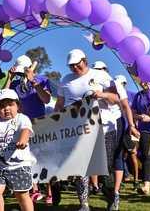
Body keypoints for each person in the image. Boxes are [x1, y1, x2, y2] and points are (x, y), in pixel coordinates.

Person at [55, 50, 138, 211]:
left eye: (77, 64)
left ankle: (112, 196)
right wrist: (58, 119)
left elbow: (116, 99)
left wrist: (101, 94)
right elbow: (59, 104)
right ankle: (84, 204)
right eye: (71, 66)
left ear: (84, 61)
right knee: (81, 168)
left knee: (103, 168)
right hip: (79, 129)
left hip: (105, 127)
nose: (74, 68)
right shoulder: (66, 80)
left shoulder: (101, 76)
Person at [4, 55, 54, 204]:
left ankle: (50, 192)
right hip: (23, 125)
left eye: (22, 72)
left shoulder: (42, 79)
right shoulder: (15, 84)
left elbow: (46, 99)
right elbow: (3, 97)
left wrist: (33, 81)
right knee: (27, 157)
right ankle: (34, 190)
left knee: (44, 157)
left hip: (40, 123)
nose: (20, 75)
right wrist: (9, 78)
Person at [132, 81, 150, 195]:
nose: (143, 82)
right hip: (145, 130)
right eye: (141, 80)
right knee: (147, 156)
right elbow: (133, 113)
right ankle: (146, 186)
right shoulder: (138, 95)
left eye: (145, 81)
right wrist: (139, 116)